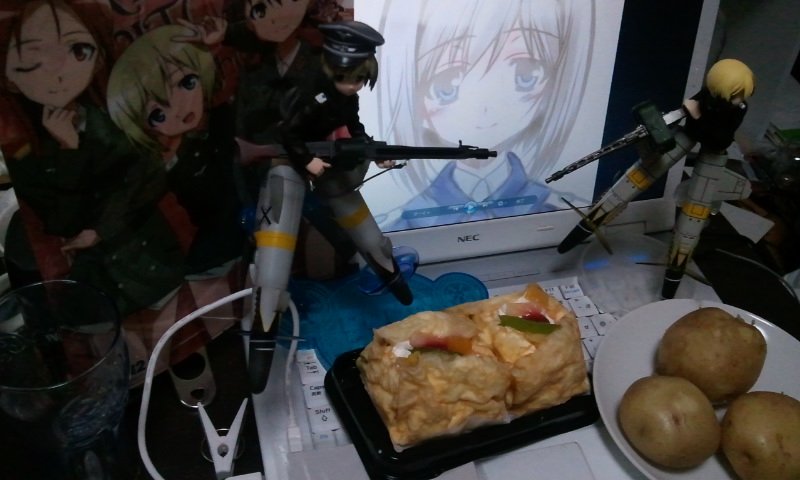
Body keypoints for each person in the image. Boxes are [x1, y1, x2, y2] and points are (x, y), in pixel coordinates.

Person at [247, 20, 410, 392]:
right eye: (347, 77)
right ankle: (263, 330)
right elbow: (288, 134)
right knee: (273, 261)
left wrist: (371, 149)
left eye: (360, 79)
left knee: (368, 234)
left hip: (325, 158)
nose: (354, 86)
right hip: (289, 160)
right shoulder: (309, 93)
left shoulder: (345, 96)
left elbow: (352, 124)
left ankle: (390, 275)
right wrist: (307, 162)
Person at [0, 0, 185, 316]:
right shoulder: (24, 155)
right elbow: (61, 222)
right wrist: (68, 152)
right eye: (31, 61)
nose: (58, 73)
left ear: (98, 56)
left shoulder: (119, 119)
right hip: (95, 282)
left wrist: (101, 229)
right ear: (9, 78)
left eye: (78, 51)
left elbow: (150, 179)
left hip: (150, 258)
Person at [363, 0, 595, 230]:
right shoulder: (401, 222)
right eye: (446, 87)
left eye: (526, 75)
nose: (487, 107)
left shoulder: (564, 210)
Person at [106, 24, 249, 279]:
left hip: (262, 216)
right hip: (220, 241)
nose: (180, 108)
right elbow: (133, 200)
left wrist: (226, 39)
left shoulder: (225, 117)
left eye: (187, 82)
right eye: (157, 114)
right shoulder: (162, 161)